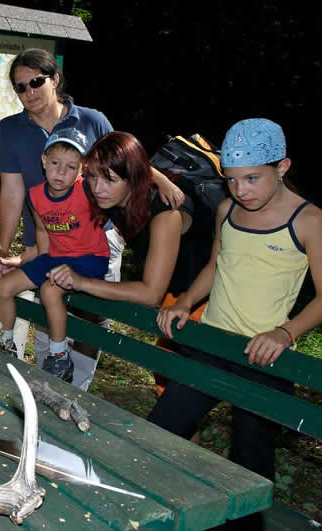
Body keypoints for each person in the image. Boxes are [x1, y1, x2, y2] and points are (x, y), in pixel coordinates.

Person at [153, 119, 322, 529]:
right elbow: (216, 265)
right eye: (231, 181)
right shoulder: (228, 209)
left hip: (264, 358)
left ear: (281, 167)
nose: (241, 190)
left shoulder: (309, 220)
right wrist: (187, 301)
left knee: (251, 463)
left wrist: (284, 333)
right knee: (158, 433)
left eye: (252, 179)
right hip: (212, 343)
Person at [0, 48, 182, 377]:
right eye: (20, 87)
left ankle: (79, 383)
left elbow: (122, 159)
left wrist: (161, 179)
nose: (29, 92)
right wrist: (4, 249)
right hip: (48, 234)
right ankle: (50, 371)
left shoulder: (91, 119)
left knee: (91, 313)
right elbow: (11, 193)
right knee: (50, 301)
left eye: (35, 82)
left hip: (97, 233)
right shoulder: (10, 130)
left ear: (55, 79)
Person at [49, 131, 215, 313]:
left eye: (110, 180)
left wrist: (81, 283)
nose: (97, 189)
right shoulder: (106, 191)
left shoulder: (165, 213)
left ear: (134, 178)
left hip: (204, 293)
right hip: (172, 287)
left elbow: (151, 294)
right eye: (93, 176)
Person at [0, 129, 109, 382]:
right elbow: (42, 231)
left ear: (81, 170)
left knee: (49, 289)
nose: (60, 172)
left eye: (70, 167)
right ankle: (5, 342)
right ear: (44, 161)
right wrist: (33, 264)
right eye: (55, 163)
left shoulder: (87, 190)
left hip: (89, 257)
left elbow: (123, 179)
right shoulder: (35, 195)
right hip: (56, 256)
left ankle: (59, 356)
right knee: (5, 286)